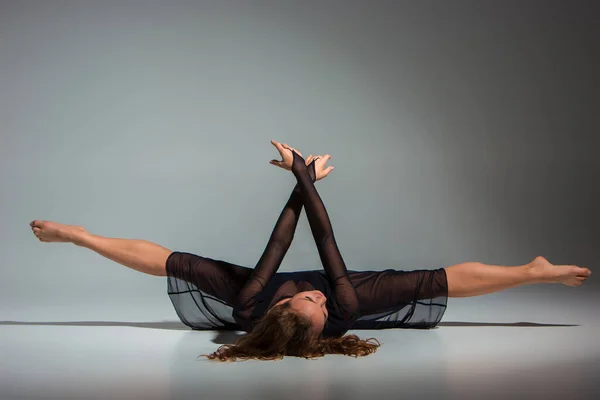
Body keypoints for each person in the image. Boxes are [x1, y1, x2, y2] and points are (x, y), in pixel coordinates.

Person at [30, 140, 592, 362]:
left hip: (254, 281)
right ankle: (531, 272)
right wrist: (304, 177)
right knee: (429, 281)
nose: (315, 295)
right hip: (362, 286)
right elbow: (327, 249)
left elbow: (281, 246)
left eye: (307, 301)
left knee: (177, 263)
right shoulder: (342, 306)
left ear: (280, 307)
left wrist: (305, 180)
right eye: (317, 308)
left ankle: (80, 235)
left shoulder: (250, 305)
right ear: (325, 324)